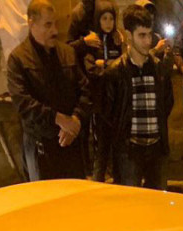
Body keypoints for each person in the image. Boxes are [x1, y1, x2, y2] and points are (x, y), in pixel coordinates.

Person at [8, 0, 91, 181]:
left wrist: (76, 120)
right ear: (32, 24)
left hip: (71, 145)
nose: (54, 30)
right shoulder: (18, 59)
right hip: (41, 147)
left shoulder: (67, 53)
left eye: (55, 24)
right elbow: (23, 102)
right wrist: (58, 118)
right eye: (48, 25)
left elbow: (85, 91)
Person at [101, 4, 174, 190]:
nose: (147, 41)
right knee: (130, 204)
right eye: (142, 35)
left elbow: (167, 102)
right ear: (128, 35)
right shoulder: (117, 72)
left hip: (156, 148)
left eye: (150, 34)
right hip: (130, 150)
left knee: (158, 205)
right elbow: (108, 115)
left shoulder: (157, 68)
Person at [71, 0, 122, 181]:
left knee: (114, 142)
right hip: (98, 100)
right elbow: (91, 67)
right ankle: (96, 177)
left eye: (111, 19)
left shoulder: (117, 41)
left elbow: (122, 65)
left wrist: (107, 65)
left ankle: (116, 177)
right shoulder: (93, 42)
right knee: (98, 142)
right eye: (104, 19)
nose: (108, 23)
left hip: (115, 100)